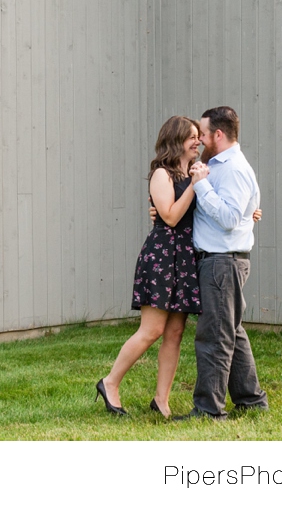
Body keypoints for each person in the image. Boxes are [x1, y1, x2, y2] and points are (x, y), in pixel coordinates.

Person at [96, 116, 203, 417]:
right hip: (162, 255)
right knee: (153, 329)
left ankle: (161, 401)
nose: (197, 141)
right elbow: (168, 217)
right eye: (191, 136)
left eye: (198, 136)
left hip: (184, 257)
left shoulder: (191, 172)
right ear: (175, 139)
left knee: (175, 332)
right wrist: (195, 186)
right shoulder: (162, 173)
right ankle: (110, 382)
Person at [175, 105, 268, 420]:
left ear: (218, 134)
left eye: (202, 133)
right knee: (231, 330)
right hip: (220, 261)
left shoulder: (234, 169)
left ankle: (208, 409)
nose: (199, 139)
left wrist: (201, 185)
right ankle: (251, 399)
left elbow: (229, 217)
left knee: (214, 335)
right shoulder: (218, 166)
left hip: (222, 263)